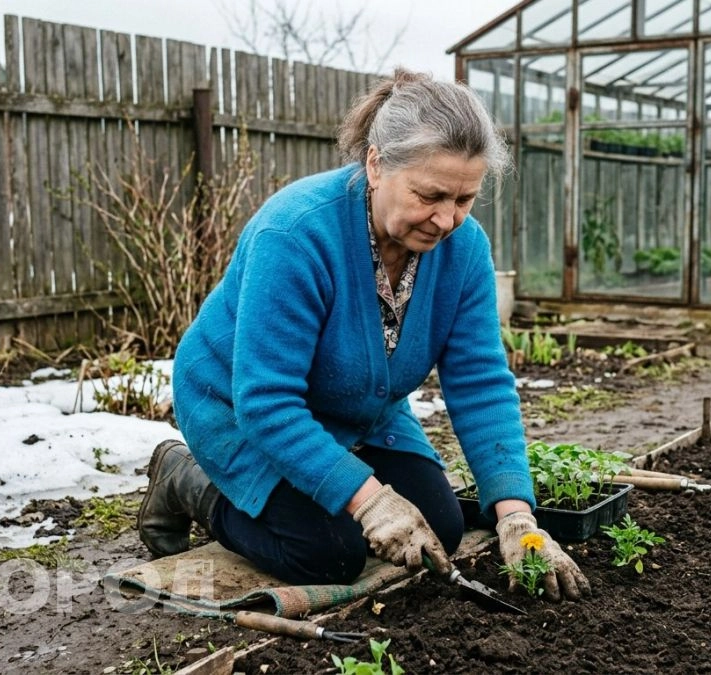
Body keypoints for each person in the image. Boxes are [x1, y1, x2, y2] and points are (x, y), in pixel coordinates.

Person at [137, 68, 589, 601]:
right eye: (431, 194)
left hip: (353, 409)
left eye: (465, 199)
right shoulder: (297, 234)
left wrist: (517, 516)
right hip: (238, 407)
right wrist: (369, 501)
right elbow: (266, 400)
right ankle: (186, 479)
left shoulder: (463, 250)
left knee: (436, 531)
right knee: (330, 552)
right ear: (376, 164)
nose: (447, 219)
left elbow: (480, 381)